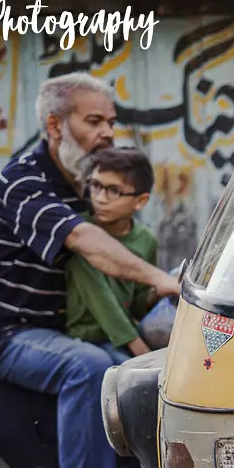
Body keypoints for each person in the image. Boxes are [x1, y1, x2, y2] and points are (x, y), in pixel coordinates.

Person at [0, 73, 179, 468]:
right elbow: (85, 242)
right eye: (94, 120)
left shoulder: (87, 185)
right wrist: (159, 280)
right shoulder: (24, 181)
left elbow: (128, 243)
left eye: (111, 122)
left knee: (129, 370)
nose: (107, 132)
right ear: (56, 125)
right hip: (10, 334)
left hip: (63, 331)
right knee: (90, 368)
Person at [63, 147, 161, 364]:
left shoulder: (146, 240)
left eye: (114, 191)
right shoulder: (78, 231)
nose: (100, 198)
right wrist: (139, 348)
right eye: (96, 186)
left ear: (141, 201)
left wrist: (158, 294)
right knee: (127, 373)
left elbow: (137, 305)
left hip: (125, 335)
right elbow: (98, 295)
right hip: (88, 336)